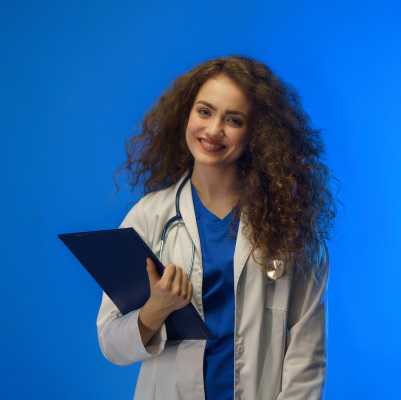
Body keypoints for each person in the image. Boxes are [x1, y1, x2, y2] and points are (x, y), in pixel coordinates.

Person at [97, 55, 337, 400]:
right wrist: (156, 308)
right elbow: (110, 343)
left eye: (233, 119)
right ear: (186, 114)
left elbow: (307, 356)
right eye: (205, 112)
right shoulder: (149, 218)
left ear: (256, 133)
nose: (213, 130)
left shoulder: (290, 228)